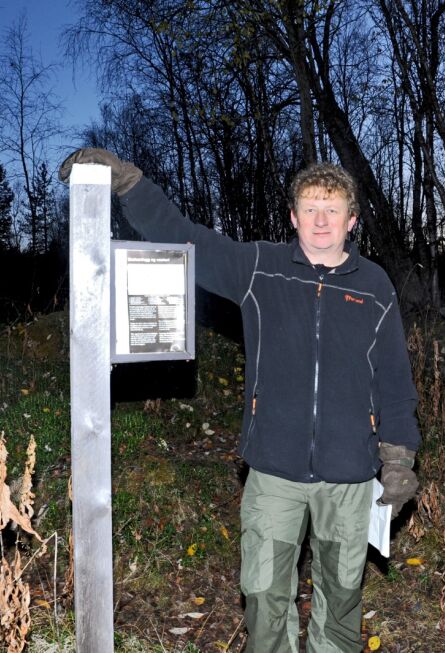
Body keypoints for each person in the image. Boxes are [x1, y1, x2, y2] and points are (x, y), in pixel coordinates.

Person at [60, 149, 421, 652]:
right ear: (293, 217)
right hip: (274, 473)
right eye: (311, 208)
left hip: (350, 479)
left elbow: (394, 378)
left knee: (341, 599)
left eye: (333, 209)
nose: (321, 220)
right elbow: (188, 237)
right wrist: (129, 185)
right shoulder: (259, 267)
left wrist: (399, 458)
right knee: (263, 593)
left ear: (351, 220)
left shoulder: (374, 285)